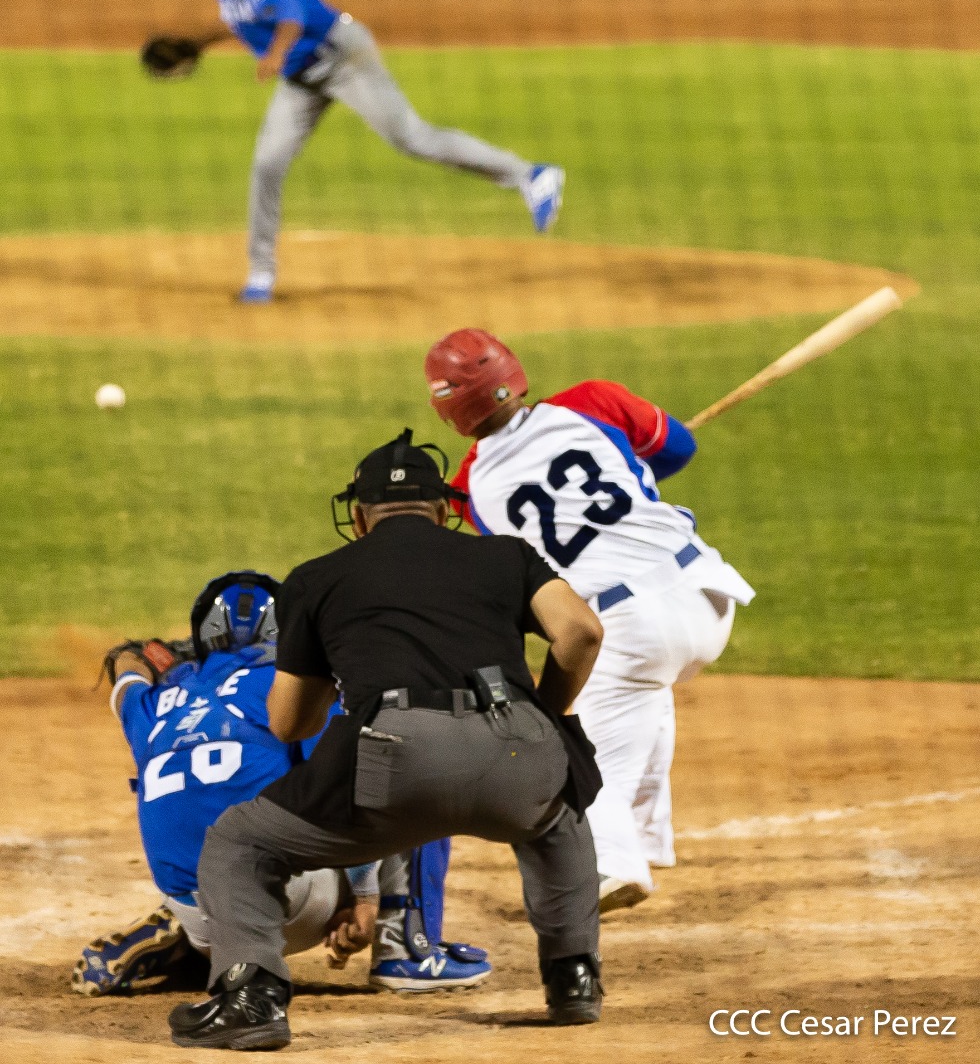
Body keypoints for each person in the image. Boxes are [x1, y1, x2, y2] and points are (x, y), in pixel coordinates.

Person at [165, 429, 605, 1050]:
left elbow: (290, 723)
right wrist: (546, 715)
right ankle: (573, 978)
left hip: (396, 758)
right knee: (559, 813)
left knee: (240, 842)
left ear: (360, 517)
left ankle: (251, 998)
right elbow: (582, 631)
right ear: (444, 510)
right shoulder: (508, 555)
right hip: (514, 746)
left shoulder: (317, 578)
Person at [424, 329, 756, 913]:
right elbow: (676, 449)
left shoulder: (469, 488)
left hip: (633, 628)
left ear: (447, 409)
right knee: (644, 694)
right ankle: (646, 836)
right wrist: (628, 465)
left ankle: (611, 864)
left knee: (575, 754)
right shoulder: (592, 401)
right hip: (709, 594)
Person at [77, 570, 491, 998]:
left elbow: (127, 670)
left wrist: (148, 654)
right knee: (405, 760)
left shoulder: (152, 703)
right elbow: (351, 784)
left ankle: (189, 940)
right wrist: (364, 895)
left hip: (201, 915)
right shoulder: (288, 686)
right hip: (290, 906)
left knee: (210, 826)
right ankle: (405, 952)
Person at [181, 0, 565, 303]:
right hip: (302, 78)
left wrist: (275, 54)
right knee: (267, 162)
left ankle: (531, 176)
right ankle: (260, 275)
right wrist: (197, 44)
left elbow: (290, 12)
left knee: (413, 138)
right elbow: (246, 17)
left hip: (341, 57)